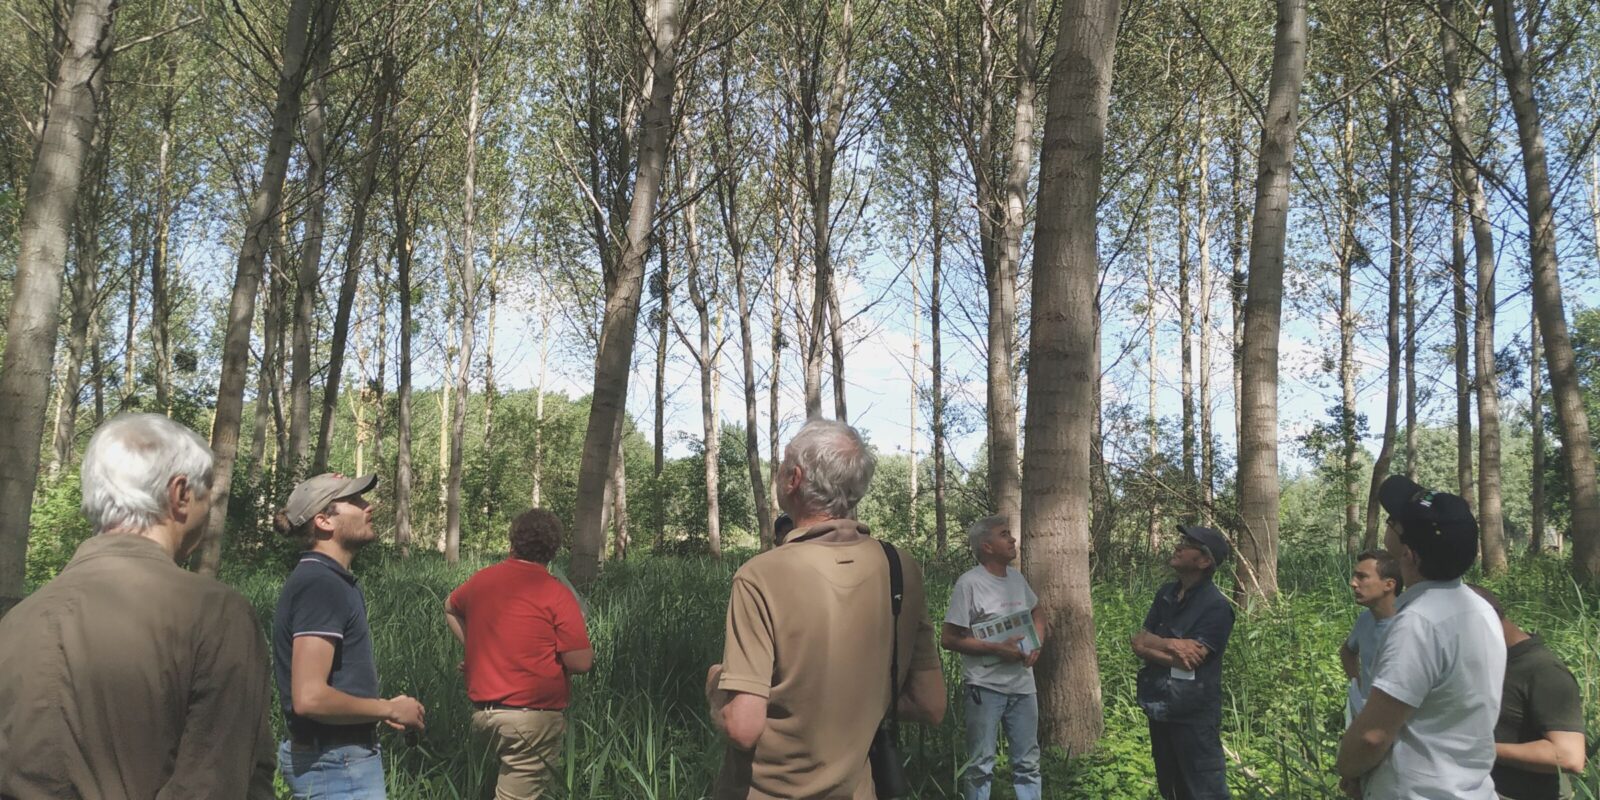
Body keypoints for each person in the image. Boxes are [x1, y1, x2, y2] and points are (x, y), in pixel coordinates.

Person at [0, 413, 275, 799]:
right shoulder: (217, 615)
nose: (209, 512)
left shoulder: (16, 621)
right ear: (180, 494)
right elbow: (213, 786)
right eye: (207, 496)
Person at [706, 417, 946, 798]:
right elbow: (930, 703)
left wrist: (715, 686)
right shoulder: (900, 568)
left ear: (794, 479)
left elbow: (743, 727)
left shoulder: (760, 576)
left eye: (782, 464)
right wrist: (857, 700)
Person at [1335, 475, 1505, 799]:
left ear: (1408, 554)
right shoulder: (1481, 611)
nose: (1388, 526)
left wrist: (1348, 769)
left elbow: (1372, 736)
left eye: (1392, 523)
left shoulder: (1417, 623)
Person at [272, 473, 426, 799]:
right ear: (324, 521)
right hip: (336, 766)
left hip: (337, 762)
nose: (368, 506)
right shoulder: (321, 585)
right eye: (354, 500)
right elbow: (309, 697)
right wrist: (389, 709)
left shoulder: (327, 579)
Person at [445, 508, 594, 799]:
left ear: (512, 542)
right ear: (553, 550)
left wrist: (475, 648)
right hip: (531, 723)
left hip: (484, 717)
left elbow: (450, 607)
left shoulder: (481, 580)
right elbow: (580, 662)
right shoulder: (556, 593)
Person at [942, 515, 1047, 800]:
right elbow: (948, 639)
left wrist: (1036, 644)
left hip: (1023, 687)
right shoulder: (969, 584)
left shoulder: (1017, 578)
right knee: (980, 765)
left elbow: (1037, 612)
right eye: (1004, 534)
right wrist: (997, 649)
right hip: (985, 688)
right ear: (986, 546)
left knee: (1028, 763)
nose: (1013, 539)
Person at [1131, 524, 1237, 800]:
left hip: (1193, 716)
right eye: (1181, 540)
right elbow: (1139, 641)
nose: (1178, 546)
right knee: (1171, 790)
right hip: (1159, 707)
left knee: (1204, 793)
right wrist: (1174, 646)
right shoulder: (1165, 594)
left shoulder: (1216, 606)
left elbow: (1190, 662)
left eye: (1188, 544)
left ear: (1204, 561)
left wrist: (1153, 644)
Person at [1468, 585, 1587, 800]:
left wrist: (1479, 748)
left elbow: (1569, 756)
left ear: (1482, 619)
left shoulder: (1543, 670)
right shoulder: (1486, 660)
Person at [1340, 550, 1402, 720]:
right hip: (1368, 713)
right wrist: (1357, 685)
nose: (1353, 583)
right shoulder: (1365, 619)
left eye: (1362, 577)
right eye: (1354, 576)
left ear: (1389, 585)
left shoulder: (1409, 625)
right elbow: (1347, 651)